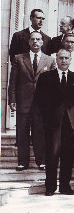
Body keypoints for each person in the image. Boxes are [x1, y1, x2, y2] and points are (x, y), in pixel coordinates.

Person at [34, 49, 74, 196]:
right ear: (56, 59)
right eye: (61, 58)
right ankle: (50, 187)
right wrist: (44, 121)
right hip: (52, 123)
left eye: (66, 58)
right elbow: (39, 101)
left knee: (68, 155)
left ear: (70, 60)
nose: (63, 61)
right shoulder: (45, 77)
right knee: (52, 155)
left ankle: (65, 186)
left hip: (70, 123)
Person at [8, 31, 55, 171]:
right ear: (29, 42)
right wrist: (12, 99)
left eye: (38, 39)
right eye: (33, 39)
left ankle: (41, 161)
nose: (35, 41)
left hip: (42, 104)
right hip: (23, 101)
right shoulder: (19, 58)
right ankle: (22, 162)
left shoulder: (49, 60)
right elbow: (13, 82)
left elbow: (53, 85)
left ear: (42, 42)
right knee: (22, 132)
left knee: (39, 132)